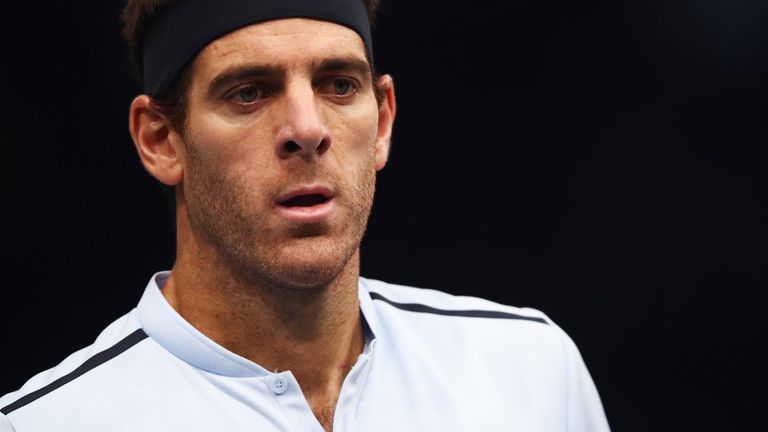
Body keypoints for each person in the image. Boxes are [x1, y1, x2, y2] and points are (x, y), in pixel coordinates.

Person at [0, 0, 610, 430]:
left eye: (339, 84)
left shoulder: (530, 373)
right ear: (161, 139)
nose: (307, 128)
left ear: (384, 120)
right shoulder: (48, 424)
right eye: (249, 91)